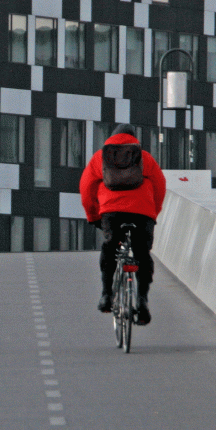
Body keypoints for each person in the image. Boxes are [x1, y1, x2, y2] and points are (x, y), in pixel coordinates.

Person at [79, 124, 166, 325]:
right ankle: (142, 302)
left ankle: (107, 295)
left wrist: (93, 216)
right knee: (142, 254)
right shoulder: (144, 157)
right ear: (133, 140)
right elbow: (160, 186)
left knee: (110, 247)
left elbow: (86, 189)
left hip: (111, 212)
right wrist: (153, 213)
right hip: (142, 213)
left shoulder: (99, 158)